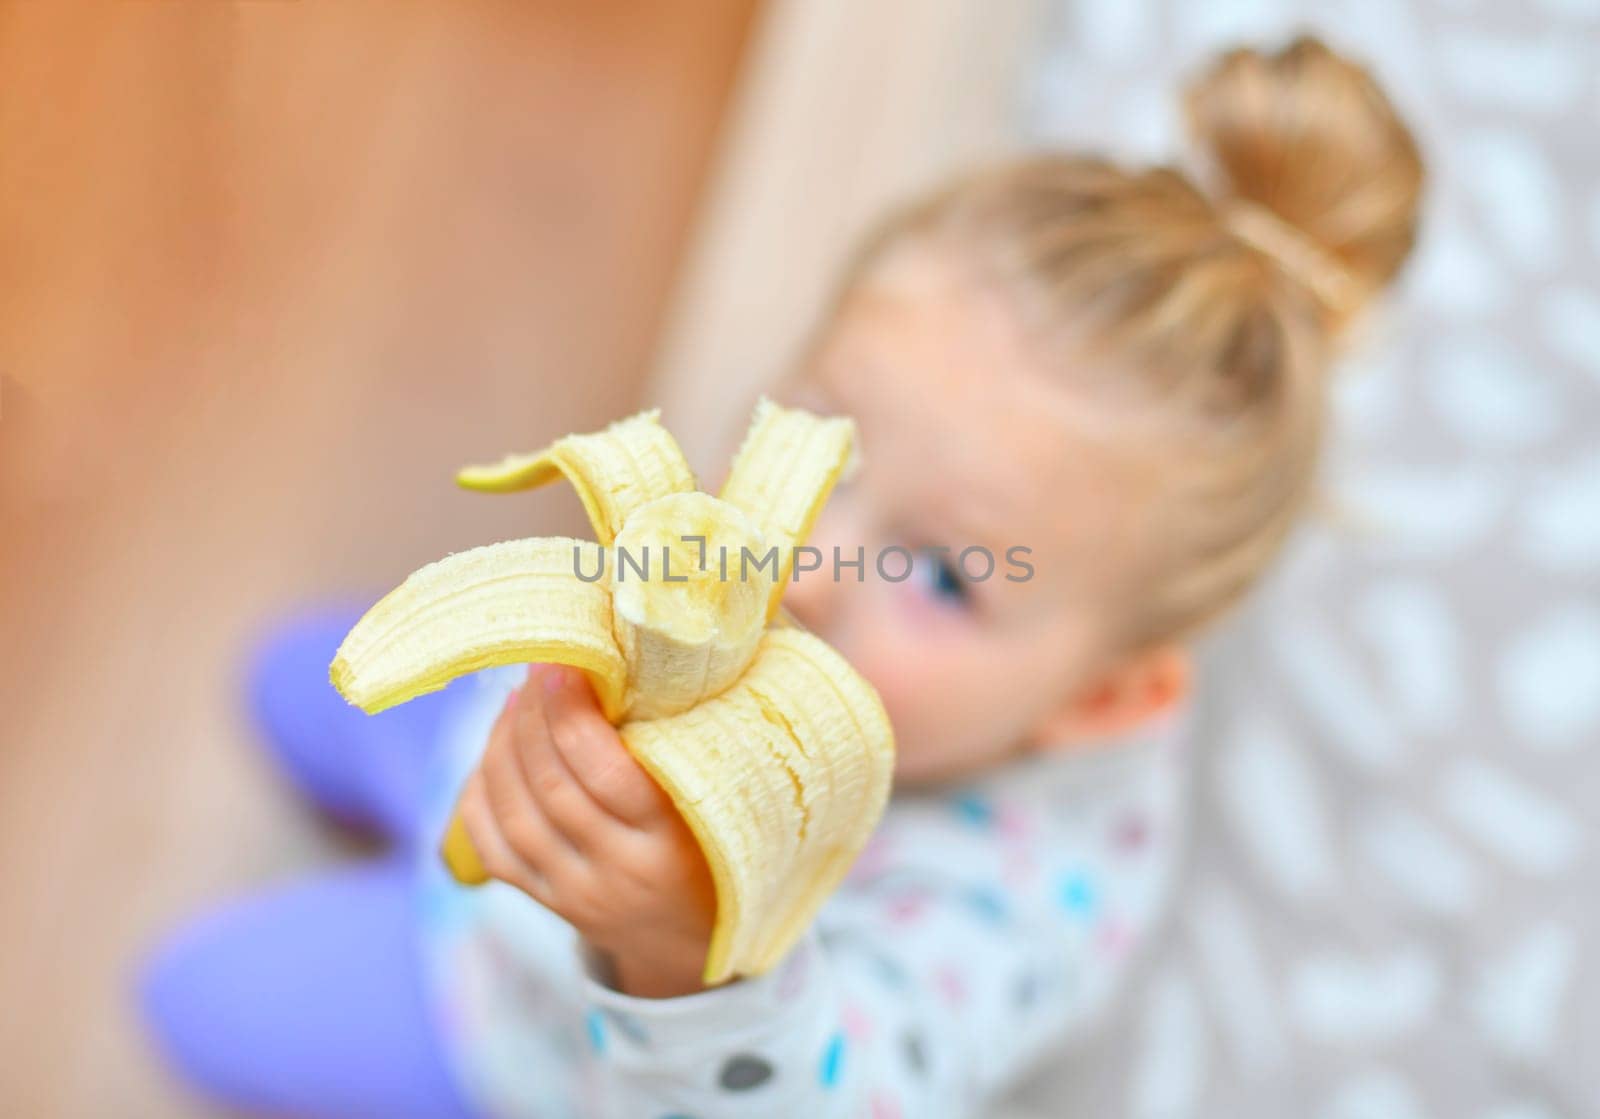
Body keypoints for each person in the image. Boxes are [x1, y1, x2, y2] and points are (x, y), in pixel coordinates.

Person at [139, 36, 1423, 1118]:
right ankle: (432, 768)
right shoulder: (838, 589)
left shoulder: (1017, 908)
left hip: (517, 1023)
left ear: (1102, 699)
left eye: (940, 574)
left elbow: (821, 1092)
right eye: (824, 440)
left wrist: (677, 951)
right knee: (293, 673)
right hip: (512, 750)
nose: (806, 565)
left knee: (194, 1004)